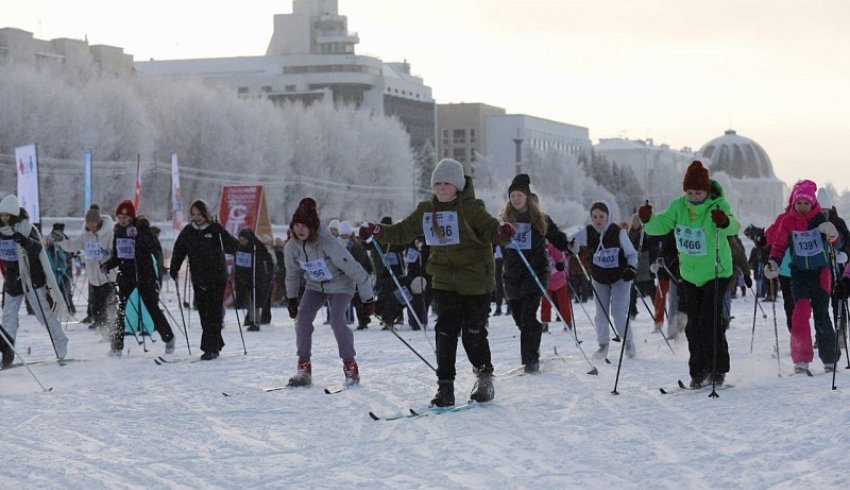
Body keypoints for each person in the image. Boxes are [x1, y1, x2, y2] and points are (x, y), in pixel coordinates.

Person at [359, 158, 515, 407]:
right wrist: (378, 231)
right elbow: (402, 230)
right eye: (437, 183)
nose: (441, 188)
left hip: (476, 281)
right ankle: (445, 387)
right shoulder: (426, 211)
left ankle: (484, 375)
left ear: (459, 186)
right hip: (443, 280)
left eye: (447, 183)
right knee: (445, 332)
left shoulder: (472, 208)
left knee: (472, 333)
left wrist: (502, 233)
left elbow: (491, 229)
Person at [639, 160, 739, 387]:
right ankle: (698, 370)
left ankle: (718, 368)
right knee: (693, 325)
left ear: (707, 190)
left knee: (710, 321)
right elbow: (660, 226)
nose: (694, 196)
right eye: (690, 192)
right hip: (690, 275)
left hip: (716, 272)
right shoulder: (679, 207)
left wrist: (723, 222)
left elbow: (734, 227)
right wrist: (647, 220)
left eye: (698, 192)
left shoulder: (718, 205)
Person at [284, 198, 375, 387]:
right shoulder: (291, 247)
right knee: (302, 319)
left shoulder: (328, 244)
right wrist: (292, 298)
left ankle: (350, 367)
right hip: (315, 286)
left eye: (305, 225)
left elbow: (355, 269)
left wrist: (367, 299)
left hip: (340, 284)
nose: (300, 230)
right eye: (297, 225)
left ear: (313, 227)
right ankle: (304, 368)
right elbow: (291, 274)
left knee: (337, 320)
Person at [763, 180, 841, 373]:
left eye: (806, 203)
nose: (803, 207)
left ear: (812, 204)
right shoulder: (788, 221)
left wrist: (832, 234)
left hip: (820, 273)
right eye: (799, 203)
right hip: (799, 274)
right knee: (799, 314)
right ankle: (801, 360)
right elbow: (779, 245)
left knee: (822, 314)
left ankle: (830, 358)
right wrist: (773, 262)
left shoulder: (819, 220)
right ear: (794, 203)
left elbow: (835, 242)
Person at [499, 175, 571, 372]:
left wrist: (568, 245)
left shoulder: (540, 219)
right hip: (512, 275)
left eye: (519, 195)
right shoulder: (505, 220)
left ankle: (531, 360)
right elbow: (494, 240)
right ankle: (534, 336)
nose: (515, 199)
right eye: (512, 195)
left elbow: (555, 235)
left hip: (535, 272)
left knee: (528, 315)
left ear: (527, 197)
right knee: (519, 319)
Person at [0, 194, 69, 366]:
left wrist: (24, 241)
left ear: (15, 214)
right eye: (2, 215)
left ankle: (60, 341)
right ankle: (8, 353)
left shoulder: (26, 228)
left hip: (32, 277)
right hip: (12, 278)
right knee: (8, 316)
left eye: (8, 215)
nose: (4, 219)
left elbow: (39, 248)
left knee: (43, 314)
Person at [102, 200, 175, 356]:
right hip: (126, 275)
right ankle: (116, 346)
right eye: (120, 217)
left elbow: (151, 246)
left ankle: (169, 338)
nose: (122, 220)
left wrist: (138, 237)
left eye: (125, 217)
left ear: (132, 217)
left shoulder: (142, 227)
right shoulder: (118, 232)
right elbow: (117, 256)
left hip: (143, 275)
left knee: (152, 308)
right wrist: (107, 265)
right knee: (119, 309)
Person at [170, 199, 239, 359]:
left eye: (200, 214)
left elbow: (232, 246)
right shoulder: (188, 231)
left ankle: (210, 349)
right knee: (203, 313)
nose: (197, 217)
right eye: (193, 214)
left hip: (216, 277)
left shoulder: (214, 229)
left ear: (206, 214)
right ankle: (216, 342)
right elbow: (179, 250)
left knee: (214, 313)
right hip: (198, 278)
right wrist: (174, 267)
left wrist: (230, 240)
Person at [570, 200, 638, 359]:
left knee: (618, 312)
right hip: (599, 278)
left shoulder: (618, 232)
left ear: (608, 216)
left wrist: (631, 268)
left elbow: (632, 253)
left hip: (620, 277)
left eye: (601, 216)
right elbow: (572, 242)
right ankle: (603, 345)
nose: (597, 220)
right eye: (594, 217)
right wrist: (571, 247)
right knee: (601, 313)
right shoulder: (588, 231)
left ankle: (628, 341)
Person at [57, 204, 117, 332]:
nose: (91, 225)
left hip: (108, 275)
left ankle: (110, 330)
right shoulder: (85, 235)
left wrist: (107, 254)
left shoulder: (109, 233)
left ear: (99, 222)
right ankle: (103, 329)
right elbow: (72, 246)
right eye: (89, 222)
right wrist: (61, 240)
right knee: (96, 306)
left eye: (94, 222)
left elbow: (115, 251)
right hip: (93, 277)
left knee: (107, 304)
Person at [235, 228, 274, 331]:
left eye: (244, 240)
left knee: (255, 301)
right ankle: (250, 319)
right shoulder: (240, 248)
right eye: (241, 239)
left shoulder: (257, 247)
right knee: (248, 300)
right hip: (244, 278)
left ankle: (256, 321)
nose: (242, 242)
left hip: (256, 278)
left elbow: (266, 259)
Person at [338, 221, 374, 330]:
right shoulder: (340, 245)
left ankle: (363, 320)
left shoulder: (355, 245)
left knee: (358, 299)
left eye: (345, 234)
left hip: (358, 275)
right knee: (355, 299)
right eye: (342, 235)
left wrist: (366, 270)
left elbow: (363, 259)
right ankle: (363, 319)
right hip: (347, 276)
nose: (344, 236)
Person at [541, 241, 573, 332]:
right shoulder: (540, 247)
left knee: (563, 302)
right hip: (547, 279)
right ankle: (544, 322)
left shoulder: (554, 246)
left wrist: (561, 264)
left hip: (559, 278)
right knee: (545, 302)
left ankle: (567, 322)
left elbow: (561, 259)